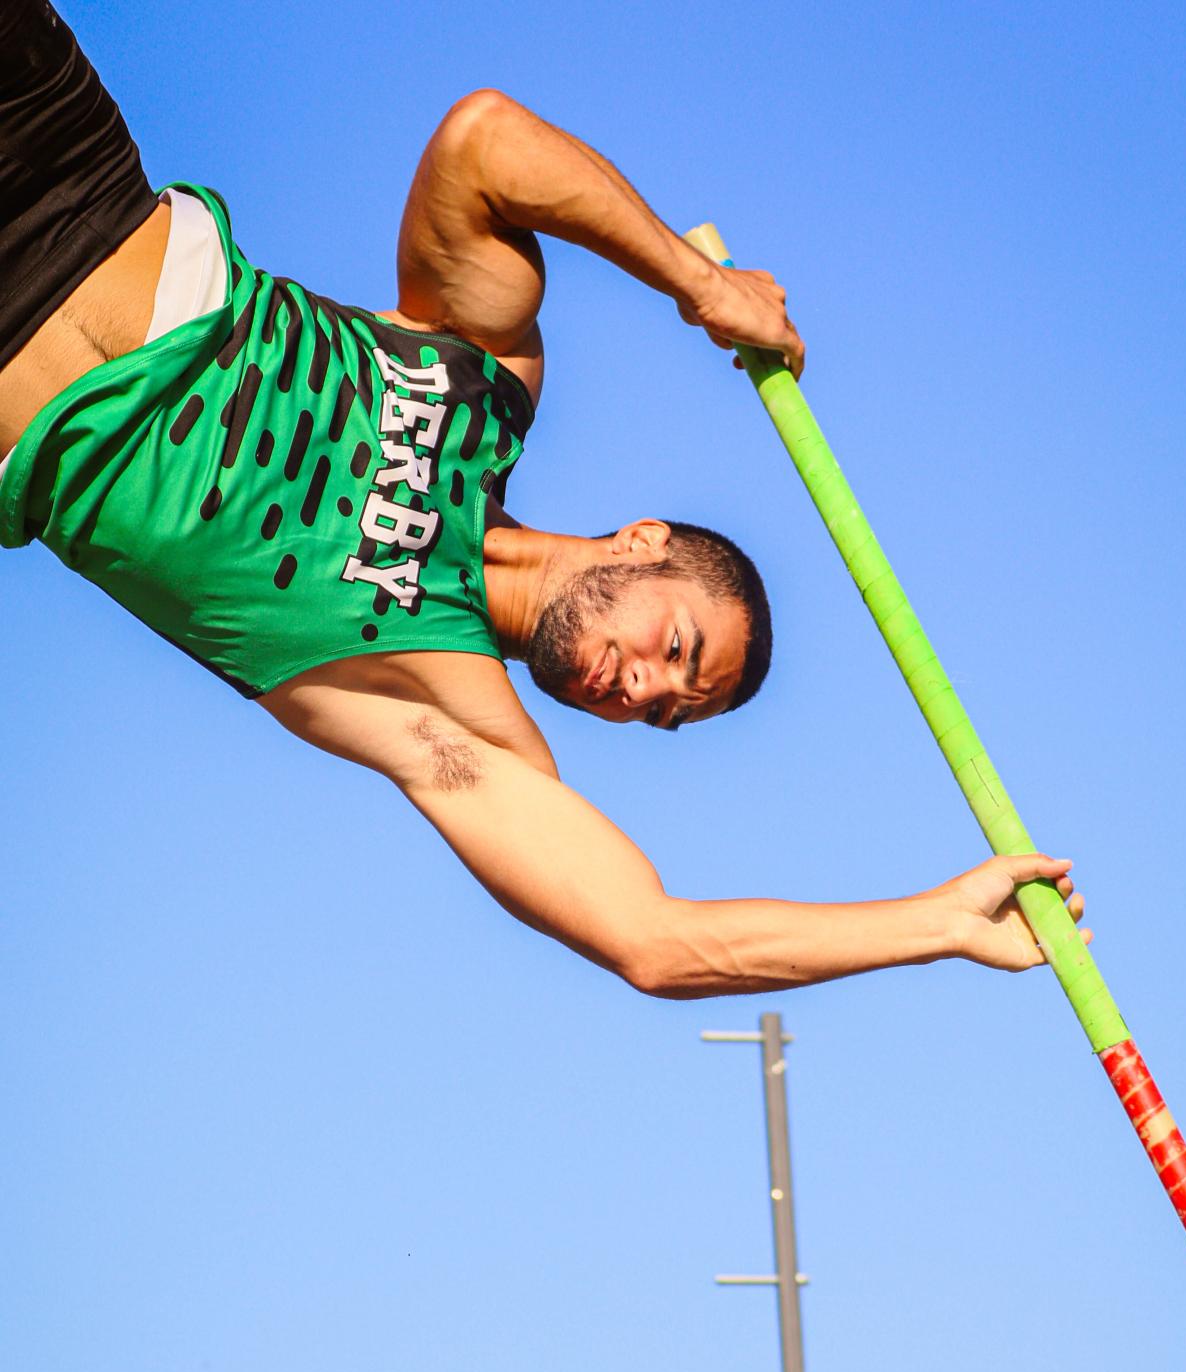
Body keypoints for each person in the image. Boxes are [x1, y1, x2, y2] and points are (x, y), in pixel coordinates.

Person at [0, 2, 1088, 997]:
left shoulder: (447, 716)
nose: (642, 688)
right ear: (642, 540)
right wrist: (696, 285)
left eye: (665, 710)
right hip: (62, 164)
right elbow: (481, 142)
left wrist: (934, 921)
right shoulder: (485, 377)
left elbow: (654, 941)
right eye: (674, 648)